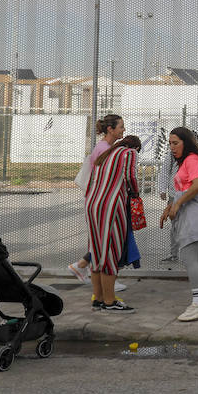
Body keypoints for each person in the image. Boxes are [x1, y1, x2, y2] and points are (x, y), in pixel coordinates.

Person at [159, 126, 198, 322]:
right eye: (169, 143)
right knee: (197, 259)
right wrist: (170, 207)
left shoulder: (192, 159)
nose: (172, 147)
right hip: (195, 217)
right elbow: (184, 189)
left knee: (190, 258)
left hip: (195, 218)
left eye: (175, 143)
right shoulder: (187, 161)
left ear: (187, 142)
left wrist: (178, 203)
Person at [69, 113, 128, 292]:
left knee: (101, 242)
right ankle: (105, 282)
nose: (123, 129)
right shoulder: (105, 149)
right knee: (106, 243)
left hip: (99, 200)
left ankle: (82, 265)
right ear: (110, 129)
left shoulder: (105, 147)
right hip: (103, 203)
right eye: (120, 126)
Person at [85, 134, 142, 311]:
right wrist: (135, 193)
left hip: (92, 204)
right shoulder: (130, 153)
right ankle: (109, 301)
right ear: (136, 147)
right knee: (110, 252)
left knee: (96, 252)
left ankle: (98, 298)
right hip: (111, 205)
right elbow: (131, 177)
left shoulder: (106, 153)